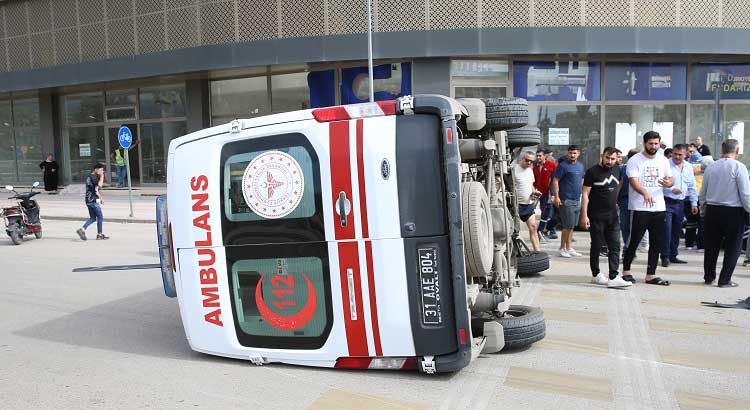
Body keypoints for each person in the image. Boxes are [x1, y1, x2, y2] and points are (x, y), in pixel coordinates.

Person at [622, 131, 674, 285]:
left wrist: (669, 183)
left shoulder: (664, 160)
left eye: (656, 143)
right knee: (634, 240)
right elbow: (633, 180)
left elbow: (670, 179)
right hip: (639, 207)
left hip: (659, 207)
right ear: (644, 143)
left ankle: (651, 274)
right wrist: (644, 193)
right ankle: (626, 271)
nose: (654, 146)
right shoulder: (635, 160)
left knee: (656, 241)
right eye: (651, 144)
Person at [699, 139, 750, 288]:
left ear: (721, 151)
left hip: (713, 210)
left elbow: (703, 192)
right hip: (733, 211)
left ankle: (709, 277)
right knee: (733, 247)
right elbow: (745, 194)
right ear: (737, 150)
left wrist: (703, 208)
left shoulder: (711, 167)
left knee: (711, 246)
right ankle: (725, 279)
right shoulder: (739, 167)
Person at [580, 147, 631, 288]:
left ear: (617, 159)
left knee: (615, 245)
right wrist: (584, 215)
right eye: (607, 158)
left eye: (613, 159)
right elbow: (585, 194)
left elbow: (619, 184)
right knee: (597, 245)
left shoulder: (618, 170)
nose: (610, 161)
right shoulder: (592, 172)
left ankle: (613, 276)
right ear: (602, 156)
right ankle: (596, 274)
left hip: (613, 215)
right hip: (596, 215)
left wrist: (614, 200)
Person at [661, 144, 698, 267]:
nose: (677, 157)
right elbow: (659, 182)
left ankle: (673, 255)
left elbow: (692, 186)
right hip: (667, 201)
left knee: (677, 230)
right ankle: (665, 256)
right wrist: (671, 189)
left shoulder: (688, 167)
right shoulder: (665, 164)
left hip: (681, 203)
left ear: (686, 155)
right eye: (675, 154)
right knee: (666, 229)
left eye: (680, 155)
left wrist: (694, 203)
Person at [552, 145, 585, 258]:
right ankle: (562, 248)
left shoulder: (580, 166)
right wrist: (556, 197)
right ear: (568, 153)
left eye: (574, 153)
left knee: (572, 226)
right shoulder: (562, 166)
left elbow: (582, 179)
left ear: (578, 153)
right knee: (567, 226)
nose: (572, 155)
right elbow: (555, 181)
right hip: (566, 200)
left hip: (577, 199)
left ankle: (568, 248)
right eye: (570, 153)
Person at [515, 151, 542, 252]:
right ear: (521, 159)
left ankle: (537, 251)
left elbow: (531, 185)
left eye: (531, 161)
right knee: (514, 231)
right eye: (527, 160)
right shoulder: (514, 170)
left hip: (528, 204)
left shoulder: (530, 171)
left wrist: (535, 192)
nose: (529, 163)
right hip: (516, 205)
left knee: (533, 227)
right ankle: (516, 251)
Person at [76, 164, 109, 241]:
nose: (102, 172)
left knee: (93, 218)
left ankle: (82, 229)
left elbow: (95, 189)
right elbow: (100, 185)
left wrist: (101, 198)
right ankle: (99, 234)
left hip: (88, 200)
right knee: (100, 217)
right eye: (101, 170)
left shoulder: (90, 177)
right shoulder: (93, 177)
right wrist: (102, 176)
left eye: (102, 171)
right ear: (96, 170)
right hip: (93, 200)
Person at [533, 149, 557, 242]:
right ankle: (541, 232)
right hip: (537, 193)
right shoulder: (534, 167)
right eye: (537, 156)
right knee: (543, 212)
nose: (538, 157)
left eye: (540, 156)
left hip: (548, 193)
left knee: (548, 213)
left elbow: (555, 179)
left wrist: (554, 193)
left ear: (544, 156)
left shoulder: (552, 165)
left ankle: (542, 231)